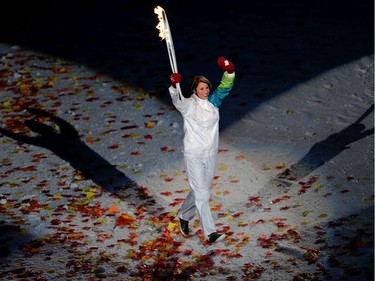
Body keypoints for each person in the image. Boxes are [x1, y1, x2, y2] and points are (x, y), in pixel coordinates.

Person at [169, 57, 235, 244]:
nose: (205, 91)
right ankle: (210, 233)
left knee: (201, 190)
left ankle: (184, 214)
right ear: (194, 90)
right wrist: (174, 86)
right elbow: (177, 99)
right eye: (201, 89)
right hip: (194, 154)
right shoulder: (188, 105)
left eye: (207, 88)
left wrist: (229, 70)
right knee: (202, 193)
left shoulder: (213, 103)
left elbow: (225, 87)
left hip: (210, 153)